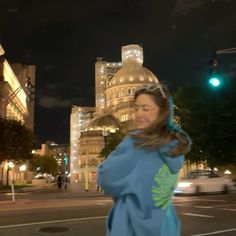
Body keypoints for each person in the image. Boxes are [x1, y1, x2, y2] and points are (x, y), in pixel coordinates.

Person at [97, 83, 191, 236]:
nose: (139, 113)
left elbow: (106, 178)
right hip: (165, 225)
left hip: (133, 226)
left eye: (145, 109)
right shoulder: (175, 144)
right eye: (136, 108)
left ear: (162, 111)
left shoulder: (136, 142)